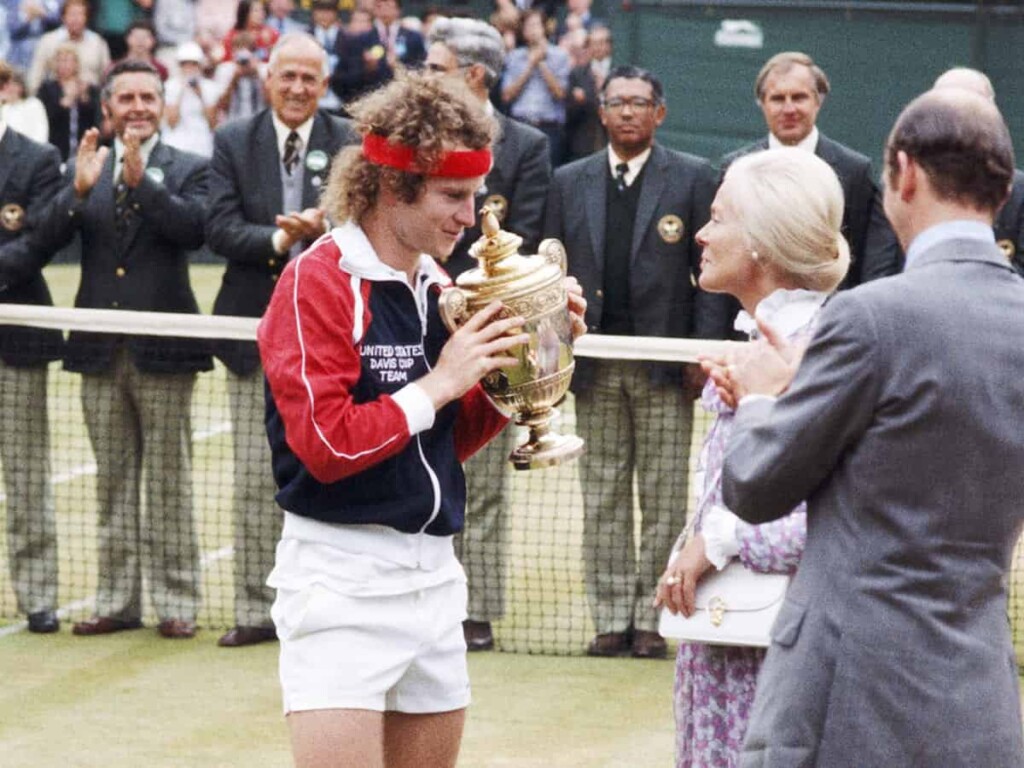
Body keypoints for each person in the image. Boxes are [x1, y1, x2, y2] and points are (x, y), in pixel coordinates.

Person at [257, 70, 585, 767]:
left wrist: (531, 355)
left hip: (435, 575)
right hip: (339, 580)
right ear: (391, 186)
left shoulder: (436, 285)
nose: (471, 219)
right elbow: (324, 445)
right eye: (454, 197)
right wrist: (440, 383)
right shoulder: (316, 280)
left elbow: (447, 441)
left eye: (475, 197)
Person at [716, 88, 1024, 766]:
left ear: (904, 174)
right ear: (999, 194)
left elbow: (754, 486)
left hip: (844, 699)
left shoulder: (869, 317)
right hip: (980, 699)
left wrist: (766, 397)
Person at [653, 148, 849, 768]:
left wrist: (715, 541)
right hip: (727, 645)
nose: (702, 234)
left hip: (786, 656)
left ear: (763, 242)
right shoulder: (763, 342)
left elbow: (828, 521)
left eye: (718, 218)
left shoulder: (823, 351)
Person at [543, 65, 734, 659]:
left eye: (640, 103)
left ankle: (652, 619)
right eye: (617, 102)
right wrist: (555, 357)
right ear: (600, 113)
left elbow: (707, 279)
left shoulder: (693, 177)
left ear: (660, 113)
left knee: (662, 494)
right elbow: (549, 275)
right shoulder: (567, 181)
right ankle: (609, 617)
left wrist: (697, 356)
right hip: (594, 364)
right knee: (601, 495)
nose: (628, 112)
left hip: (664, 366)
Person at [39, 60, 211, 640]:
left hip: (165, 348)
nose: (137, 107)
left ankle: (176, 601)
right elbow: (48, 236)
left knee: (169, 480)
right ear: (107, 107)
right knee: (112, 480)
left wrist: (144, 183)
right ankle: (116, 599)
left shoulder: (188, 168)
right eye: (126, 98)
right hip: (96, 350)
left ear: (163, 104)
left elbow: (193, 230)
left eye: (147, 97)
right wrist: (77, 190)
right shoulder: (84, 164)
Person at [205, 32, 355, 649]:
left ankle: (329, 609)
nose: (297, 89)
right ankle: (253, 609)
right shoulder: (231, 140)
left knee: (333, 475)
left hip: (332, 337)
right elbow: (217, 227)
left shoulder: (348, 139)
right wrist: (276, 240)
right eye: (286, 76)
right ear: (267, 79)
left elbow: (367, 228)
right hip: (253, 334)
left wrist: (325, 227)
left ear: (324, 85)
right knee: (251, 477)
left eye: (309, 79)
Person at [425, 16, 551, 653]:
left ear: (474, 76)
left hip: (489, 326)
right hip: (418, 319)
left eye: (436, 66)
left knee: (486, 484)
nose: (425, 78)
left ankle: (476, 612)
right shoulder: (414, 142)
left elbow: (519, 239)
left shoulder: (526, 146)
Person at [721, 51, 901, 288]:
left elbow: (873, 262)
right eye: (777, 99)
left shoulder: (854, 171)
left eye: (799, 97)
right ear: (761, 103)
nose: (789, 109)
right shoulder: (734, 171)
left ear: (818, 100)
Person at [0, 60, 63, 635]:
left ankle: (38, 595)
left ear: (6, 91)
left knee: (25, 474)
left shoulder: (36, 159)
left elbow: (38, 241)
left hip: (16, 339)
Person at [932, 66, 1024, 278]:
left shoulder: (1020, 193)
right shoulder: (906, 187)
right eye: (945, 109)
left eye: (972, 109)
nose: (959, 122)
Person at [501, 8, 570, 167]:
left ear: (544, 27)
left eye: (535, 25)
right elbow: (507, 95)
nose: (532, 31)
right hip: (520, 124)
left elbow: (560, 94)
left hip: (549, 126)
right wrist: (530, 66)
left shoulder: (560, 56)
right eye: (527, 26)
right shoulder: (514, 57)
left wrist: (541, 63)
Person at [334, 0, 426, 103]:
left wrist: (398, 67)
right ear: (374, 9)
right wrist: (367, 69)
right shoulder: (360, 39)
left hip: (404, 101)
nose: (384, 9)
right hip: (370, 101)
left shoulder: (412, 38)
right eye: (379, 5)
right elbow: (341, 80)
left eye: (388, 5)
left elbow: (421, 73)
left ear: (398, 9)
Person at [26, 0, 111, 94]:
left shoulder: (98, 43)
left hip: (90, 100)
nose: (76, 19)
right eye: (72, 14)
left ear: (87, 17)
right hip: (55, 100)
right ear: (63, 17)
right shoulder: (48, 41)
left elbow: (106, 77)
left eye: (80, 14)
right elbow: (36, 75)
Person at [37, 43, 101, 161]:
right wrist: (66, 101)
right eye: (61, 61)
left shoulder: (89, 88)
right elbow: (44, 118)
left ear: (77, 64)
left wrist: (84, 98)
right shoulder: (46, 89)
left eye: (69, 60)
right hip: (55, 148)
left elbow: (96, 119)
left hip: (83, 149)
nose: (64, 65)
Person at [161, 41, 218, 157]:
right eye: (185, 64)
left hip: (202, 144)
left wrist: (200, 95)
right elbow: (171, 122)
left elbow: (212, 123)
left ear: (200, 65)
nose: (189, 68)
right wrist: (181, 91)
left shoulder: (210, 87)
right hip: (176, 142)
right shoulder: (169, 86)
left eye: (194, 64)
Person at [565, 24, 609, 162]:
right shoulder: (578, 73)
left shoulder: (619, 73)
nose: (598, 47)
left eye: (602, 43)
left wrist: (588, 97)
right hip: (583, 143)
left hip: (611, 142)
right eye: (594, 43)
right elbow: (569, 111)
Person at [213, 31, 267, 123]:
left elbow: (271, 103)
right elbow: (222, 105)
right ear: (233, 51)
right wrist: (235, 78)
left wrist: (257, 74)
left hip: (259, 124)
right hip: (233, 123)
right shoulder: (225, 69)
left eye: (249, 49)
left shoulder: (263, 69)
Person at [5, 0, 62, 71]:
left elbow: (59, 23)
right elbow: (13, 31)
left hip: (45, 52)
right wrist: (28, 18)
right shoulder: (15, 3)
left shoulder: (54, 2)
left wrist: (42, 14)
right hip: (19, 56)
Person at [1, 67, 47, 143]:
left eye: (13, 85)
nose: (10, 89)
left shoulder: (33, 104)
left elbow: (41, 133)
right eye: (6, 85)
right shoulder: (3, 109)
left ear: (21, 87)